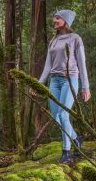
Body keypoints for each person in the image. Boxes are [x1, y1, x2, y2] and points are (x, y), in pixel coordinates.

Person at [38, 9, 91, 164]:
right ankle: (76, 139)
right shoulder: (53, 41)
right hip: (54, 81)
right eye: (54, 17)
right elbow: (48, 66)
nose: (54, 20)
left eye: (57, 18)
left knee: (63, 115)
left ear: (65, 21)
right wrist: (39, 84)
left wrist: (85, 87)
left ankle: (66, 152)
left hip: (70, 79)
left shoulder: (75, 38)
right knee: (56, 117)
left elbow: (82, 63)